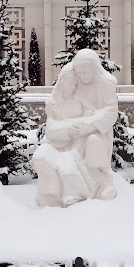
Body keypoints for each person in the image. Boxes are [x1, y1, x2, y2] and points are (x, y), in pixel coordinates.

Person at [33, 49, 118, 207]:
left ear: (94, 68)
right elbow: (56, 103)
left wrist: (90, 126)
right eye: (80, 72)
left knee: (92, 141)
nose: (82, 76)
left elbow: (111, 112)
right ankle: (62, 193)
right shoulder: (71, 78)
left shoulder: (107, 83)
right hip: (72, 133)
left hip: (98, 131)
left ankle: (103, 184)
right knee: (62, 158)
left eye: (86, 72)